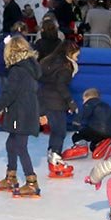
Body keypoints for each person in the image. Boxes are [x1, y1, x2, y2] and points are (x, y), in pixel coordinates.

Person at [0, 36, 44, 198]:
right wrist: (41, 113)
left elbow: (9, 94)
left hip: (21, 113)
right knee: (11, 143)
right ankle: (11, 177)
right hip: (24, 112)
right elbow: (35, 92)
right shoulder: (29, 67)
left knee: (19, 146)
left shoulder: (17, 70)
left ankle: (32, 182)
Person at [38, 40, 80, 178]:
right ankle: (55, 158)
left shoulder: (50, 61)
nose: (77, 58)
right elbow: (61, 86)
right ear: (70, 53)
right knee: (60, 132)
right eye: (76, 55)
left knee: (56, 131)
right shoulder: (65, 67)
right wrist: (71, 102)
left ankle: (53, 157)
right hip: (55, 103)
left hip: (46, 100)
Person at [62, 88, 111, 160]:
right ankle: (105, 145)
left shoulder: (90, 103)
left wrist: (76, 124)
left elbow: (83, 114)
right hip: (109, 133)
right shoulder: (109, 108)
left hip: (95, 129)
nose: (83, 102)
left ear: (87, 97)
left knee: (77, 136)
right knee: (93, 146)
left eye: (83, 100)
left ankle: (81, 147)